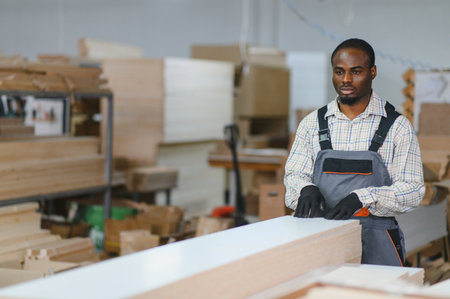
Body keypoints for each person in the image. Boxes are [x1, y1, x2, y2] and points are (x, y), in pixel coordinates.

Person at [284, 38, 424, 266]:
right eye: (339, 72)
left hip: (377, 241)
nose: (346, 80)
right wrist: (305, 189)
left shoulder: (397, 127)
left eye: (356, 71)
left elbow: (412, 191)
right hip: (320, 240)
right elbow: (293, 177)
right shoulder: (312, 124)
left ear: (373, 72)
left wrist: (363, 198)